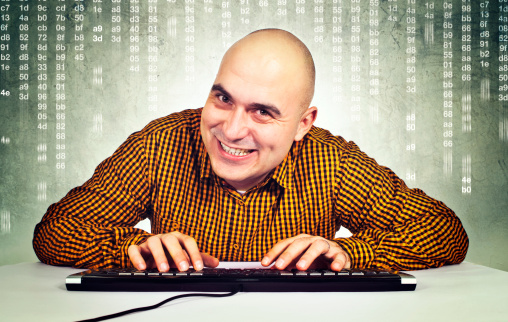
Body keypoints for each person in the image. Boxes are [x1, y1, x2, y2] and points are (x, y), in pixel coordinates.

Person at [33, 29, 468, 273]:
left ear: (303, 124)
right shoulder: (160, 144)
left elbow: (444, 231)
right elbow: (56, 231)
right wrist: (136, 248)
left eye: (262, 112)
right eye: (223, 99)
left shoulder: (332, 162)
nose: (231, 129)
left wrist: (353, 252)